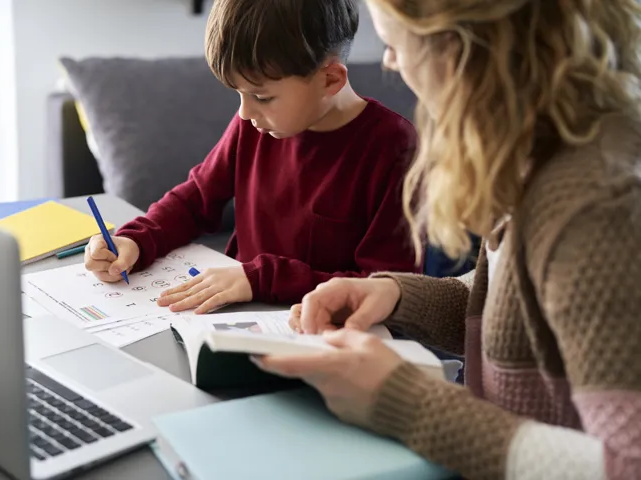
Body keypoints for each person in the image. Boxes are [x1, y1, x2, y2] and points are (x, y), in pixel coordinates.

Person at [255, 0, 641, 478]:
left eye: (395, 45)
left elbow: (628, 465)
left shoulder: (593, 203)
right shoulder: (541, 148)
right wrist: (396, 296)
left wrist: (406, 403)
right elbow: (520, 305)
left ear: (463, 47)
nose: (391, 63)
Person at [83, 0, 419, 314]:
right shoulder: (255, 126)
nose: (244, 113)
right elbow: (196, 199)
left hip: (327, 338)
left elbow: (387, 289)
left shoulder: (394, 149)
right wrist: (136, 239)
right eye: (239, 94)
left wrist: (258, 279)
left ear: (329, 80)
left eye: (261, 96)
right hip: (236, 317)